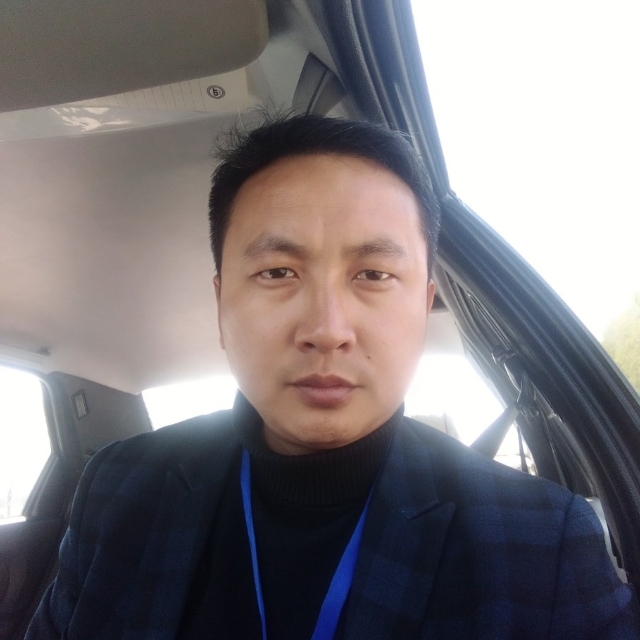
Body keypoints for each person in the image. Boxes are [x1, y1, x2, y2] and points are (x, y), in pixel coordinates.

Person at [26, 114, 638, 639]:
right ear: (220, 304)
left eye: (373, 275)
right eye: (277, 272)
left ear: (423, 305)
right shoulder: (121, 490)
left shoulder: (543, 545)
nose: (326, 329)